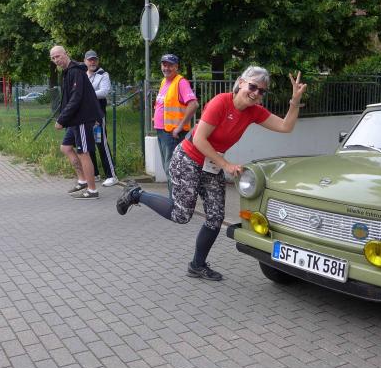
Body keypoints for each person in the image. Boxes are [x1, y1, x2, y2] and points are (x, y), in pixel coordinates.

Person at [117, 67, 307, 281]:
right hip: (188, 159)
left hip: (211, 165)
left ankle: (197, 266)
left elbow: (285, 126)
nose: (256, 93)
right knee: (181, 215)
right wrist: (226, 165)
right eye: (253, 87)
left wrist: (294, 101)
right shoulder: (221, 102)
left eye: (261, 91)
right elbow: (199, 139)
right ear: (241, 83)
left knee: (216, 217)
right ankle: (135, 193)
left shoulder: (254, 112)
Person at [50, 45, 102, 199]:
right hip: (74, 119)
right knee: (66, 147)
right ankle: (83, 180)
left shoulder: (76, 72)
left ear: (66, 54)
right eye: (53, 58)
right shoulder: (67, 72)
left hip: (82, 119)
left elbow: (76, 98)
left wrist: (62, 119)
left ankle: (92, 190)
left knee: (83, 152)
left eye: (58, 56)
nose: (56, 60)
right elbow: (68, 99)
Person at [154, 54, 198, 196]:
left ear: (176, 67)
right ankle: (174, 200)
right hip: (163, 131)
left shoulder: (181, 82)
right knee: (168, 167)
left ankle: (175, 201)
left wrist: (179, 127)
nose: (166, 68)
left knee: (172, 168)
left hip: (172, 134)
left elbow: (193, 105)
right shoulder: (164, 82)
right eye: (164, 65)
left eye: (170, 65)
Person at [84, 50, 118, 187]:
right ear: (85, 61)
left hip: (98, 117)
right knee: (89, 144)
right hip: (85, 116)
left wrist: (85, 93)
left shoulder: (103, 74)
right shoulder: (83, 74)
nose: (92, 62)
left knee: (101, 143)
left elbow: (103, 92)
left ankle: (112, 175)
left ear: (97, 61)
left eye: (94, 60)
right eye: (90, 60)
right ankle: (95, 174)